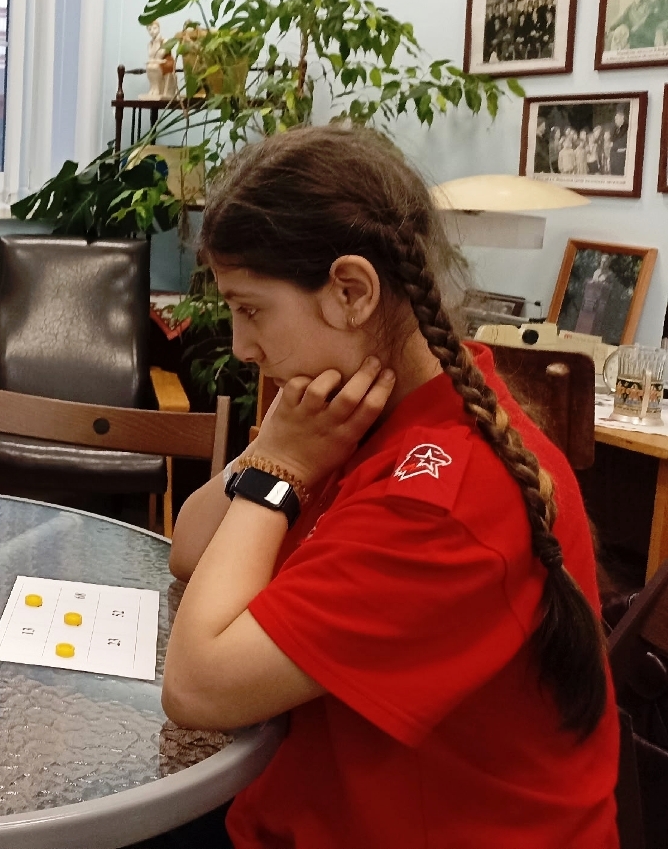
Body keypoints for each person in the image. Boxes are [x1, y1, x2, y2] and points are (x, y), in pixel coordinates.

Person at [163, 126, 617, 848]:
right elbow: (190, 547)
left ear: (351, 291)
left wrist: (277, 472)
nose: (243, 347)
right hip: (309, 805)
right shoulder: (357, 409)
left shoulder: (441, 498)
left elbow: (197, 686)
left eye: (251, 310)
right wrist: (275, 454)